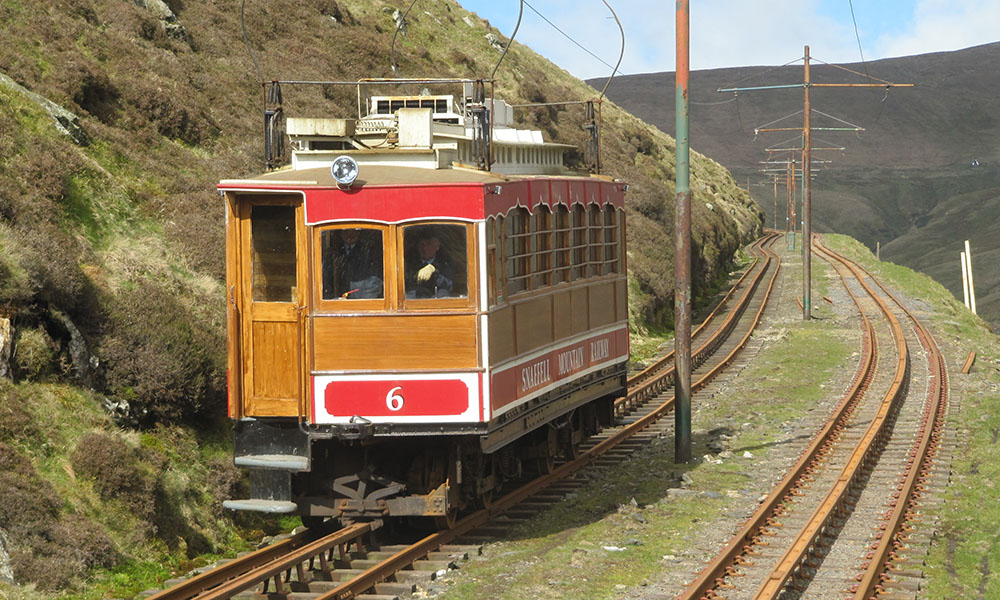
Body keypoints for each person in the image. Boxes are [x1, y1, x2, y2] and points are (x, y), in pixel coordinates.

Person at [323, 229, 383, 299]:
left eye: (354, 231)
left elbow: (375, 280)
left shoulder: (369, 251)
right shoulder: (333, 253)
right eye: (345, 231)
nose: (350, 234)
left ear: (359, 233)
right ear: (340, 234)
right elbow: (326, 279)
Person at [405, 234, 455, 298]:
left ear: (437, 247)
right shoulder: (409, 263)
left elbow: (449, 286)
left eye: (429, 244)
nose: (425, 248)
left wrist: (434, 273)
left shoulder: (445, 263)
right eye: (422, 244)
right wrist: (415, 276)